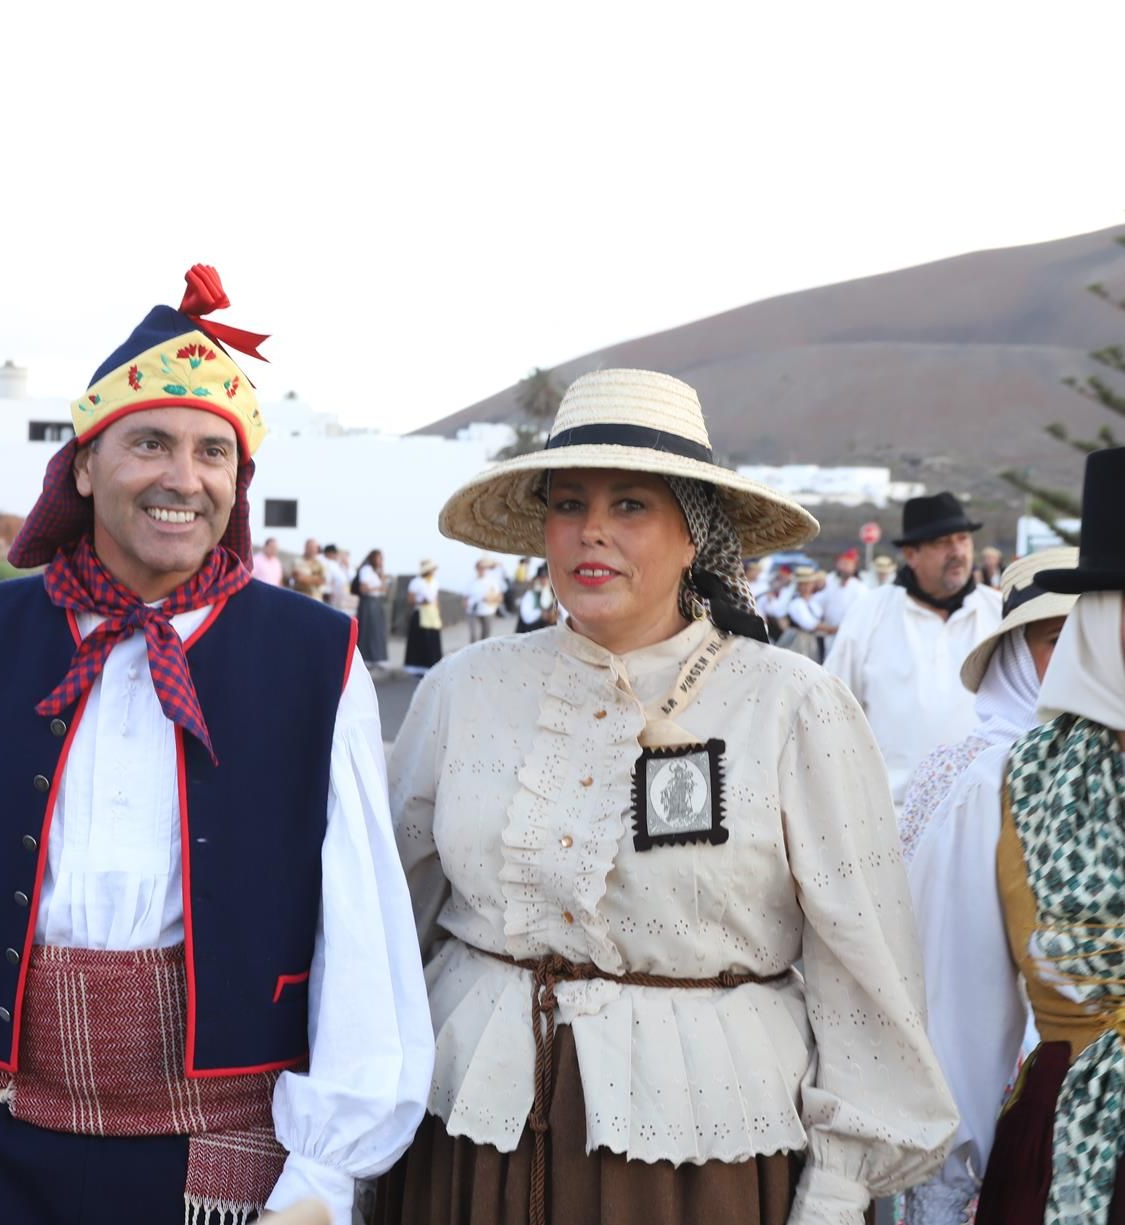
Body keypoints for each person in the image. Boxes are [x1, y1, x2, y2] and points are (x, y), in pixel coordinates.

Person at [0, 266, 432, 1225]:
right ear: (84, 466)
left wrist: (324, 1173)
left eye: (213, 452)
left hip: (222, 1150)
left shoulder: (311, 656)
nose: (184, 478)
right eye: (150, 444)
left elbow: (359, 919)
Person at [383, 368, 956, 1225]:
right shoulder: (464, 690)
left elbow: (863, 966)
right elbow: (392, 920)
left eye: (629, 507)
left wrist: (838, 1187)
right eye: (568, 504)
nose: (591, 533)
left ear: (694, 535)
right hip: (473, 1136)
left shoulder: (789, 703)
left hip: (701, 1158)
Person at [903, 446, 1125, 1223]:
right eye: (1048, 636)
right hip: (1057, 1136)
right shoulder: (1001, 782)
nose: (1067, 651)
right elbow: (960, 1000)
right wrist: (947, 1177)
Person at [895, 547, 1073, 865]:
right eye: (1058, 639)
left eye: (1093, 636)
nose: (1082, 655)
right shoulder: (955, 776)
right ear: (1016, 658)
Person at [825, 492, 1003, 804]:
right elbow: (829, 714)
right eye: (942, 543)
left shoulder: (998, 612)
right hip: (891, 814)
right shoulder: (871, 614)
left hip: (983, 812)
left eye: (963, 539)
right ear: (911, 554)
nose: (958, 551)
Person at [777, 564, 828, 662]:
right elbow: (810, 625)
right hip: (799, 642)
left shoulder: (815, 601)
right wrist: (833, 629)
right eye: (803, 584)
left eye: (808, 584)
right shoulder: (796, 603)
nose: (806, 587)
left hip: (813, 641)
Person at [404, 560, 443, 672]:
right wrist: (421, 601)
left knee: (433, 640)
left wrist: (439, 615)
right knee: (421, 640)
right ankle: (419, 666)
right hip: (420, 613)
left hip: (432, 613)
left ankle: (433, 665)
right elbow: (410, 599)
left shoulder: (435, 582)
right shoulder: (416, 582)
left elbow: (436, 600)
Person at [818, 548, 867, 635]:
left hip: (850, 633)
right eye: (842, 563)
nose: (844, 567)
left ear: (853, 567)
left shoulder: (860, 588)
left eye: (847, 564)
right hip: (829, 632)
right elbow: (819, 603)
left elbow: (861, 614)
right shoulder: (829, 581)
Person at [357, 549, 391, 665]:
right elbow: (363, 588)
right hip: (369, 602)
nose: (381, 560)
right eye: (379, 558)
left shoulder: (376, 571)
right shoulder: (366, 570)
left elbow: (384, 587)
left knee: (377, 630)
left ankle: (377, 657)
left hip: (377, 602)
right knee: (369, 630)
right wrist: (378, 588)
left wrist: (381, 571)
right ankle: (368, 657)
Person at [465, 557, 506, 643]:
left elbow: (499, 597)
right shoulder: (471, 581)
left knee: (486, 635)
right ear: (476, 569)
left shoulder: (492, 580)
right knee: (474, 635)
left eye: (484, 568)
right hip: (473, 610)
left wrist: (489, 599)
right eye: (480, 568)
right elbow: (466, 597)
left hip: (487, 610)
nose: (482, 570)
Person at [516, 565, 557, 633]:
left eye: (546, 577)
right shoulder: (531, 594)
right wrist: (541, 614)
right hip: (529, 633)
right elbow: (527, 617)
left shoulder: (553, 594)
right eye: (542, 578)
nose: (544, 580)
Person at [321, 543, 353, 614]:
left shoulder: (337, 565)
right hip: (327, 596)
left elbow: (350, 579)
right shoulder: (326, 562)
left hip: (337, 600)